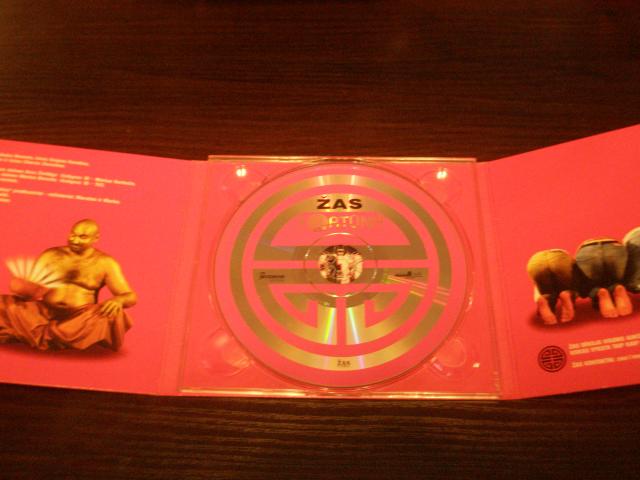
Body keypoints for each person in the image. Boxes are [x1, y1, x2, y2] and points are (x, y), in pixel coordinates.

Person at [0, 219, 137, 351]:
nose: (74, 240)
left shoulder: (106, 263)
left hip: (81, 318)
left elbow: (130, 296)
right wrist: (22, 288)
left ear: (96, 238)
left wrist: (118, 300)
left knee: (114, 314)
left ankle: (48, 334)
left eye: (82, 237)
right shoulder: (51, 255)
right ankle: (51, 334)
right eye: (72, 235)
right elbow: (32, 290)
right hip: (45, 311)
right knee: (5, 304)